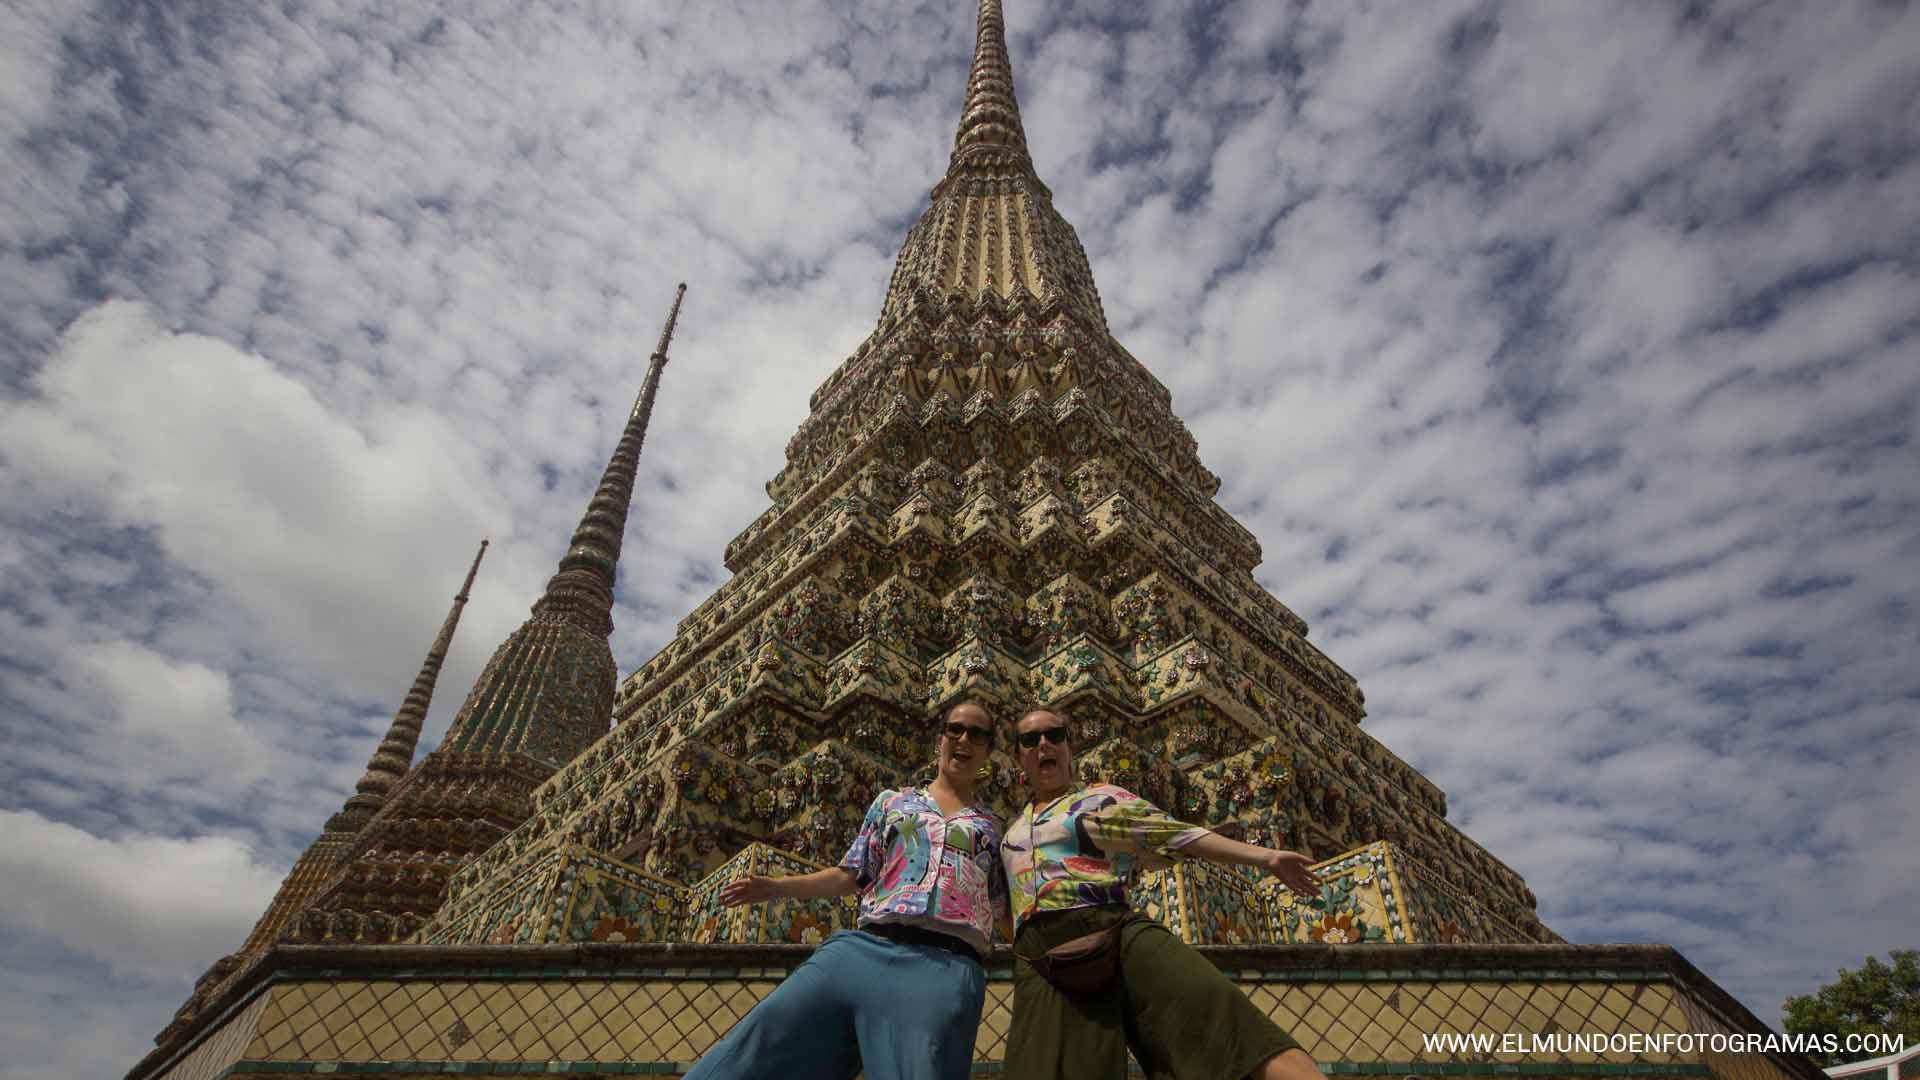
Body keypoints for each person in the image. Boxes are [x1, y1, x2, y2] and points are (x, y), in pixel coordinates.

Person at [683, 701, 1009, 1080]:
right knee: (754, 1048)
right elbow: (851, 875)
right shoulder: (893, 802)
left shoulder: (992, 827)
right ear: (941, 739)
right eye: (956, 729)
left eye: (977, 733)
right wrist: (774, 888)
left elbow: (1002, 910)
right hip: (863, 949)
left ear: (987, 751)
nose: (964, 738)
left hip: (943, 964)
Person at [1000, 705, 1330, 1080]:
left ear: (1069, 747)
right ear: (1019, 757)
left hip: (1114, 932)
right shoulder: (1010, 833)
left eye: (1054, 735)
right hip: (1043, 963)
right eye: (1031, 739)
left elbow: (1176, 833)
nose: (1044, 744)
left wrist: (1266, 857)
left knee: (1224, 1021)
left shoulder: (1100, 800)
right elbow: (1001, 907)